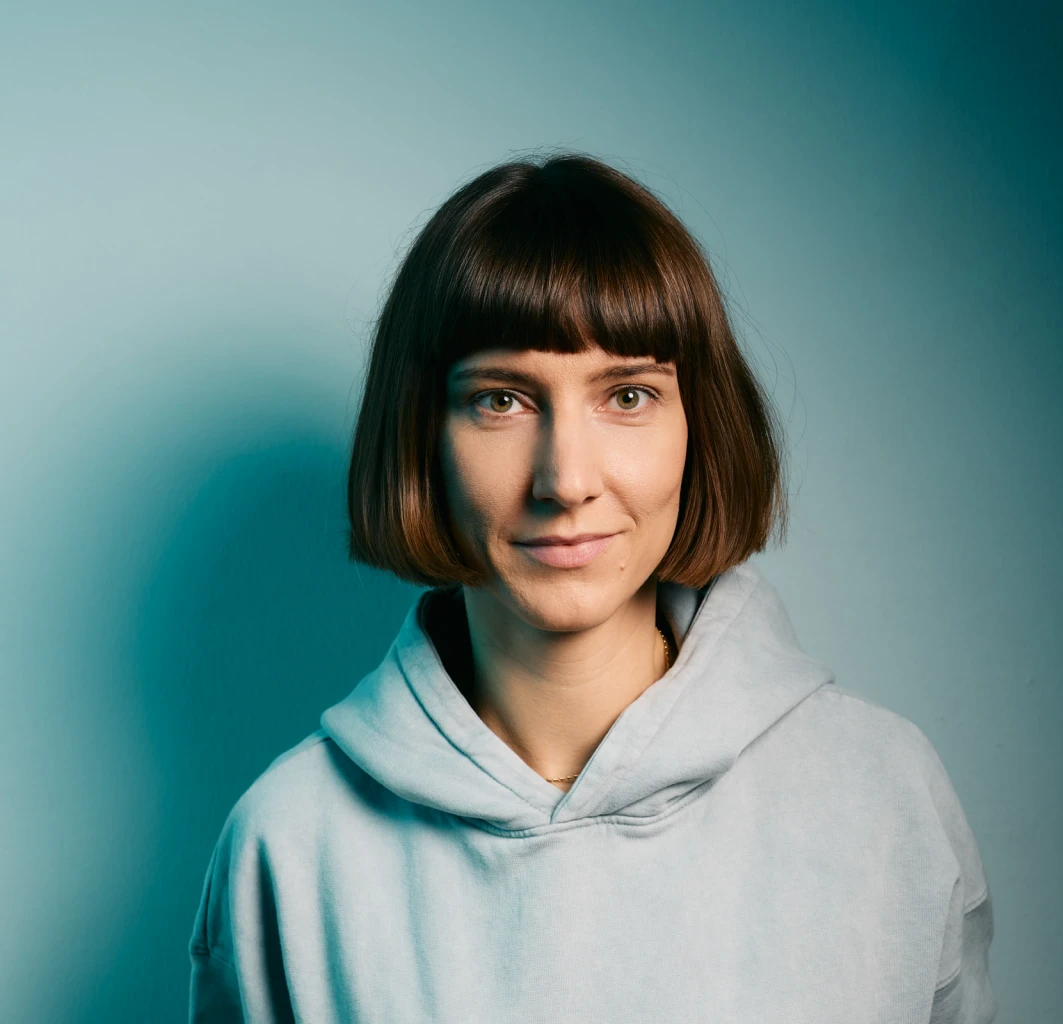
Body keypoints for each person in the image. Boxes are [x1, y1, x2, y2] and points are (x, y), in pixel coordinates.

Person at [187, 153, 996, 1023]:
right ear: (422, 437)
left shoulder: (883, 796)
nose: (567, 480)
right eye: (501, 400)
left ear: (700, 426)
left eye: (628, 396)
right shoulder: (290, 847)